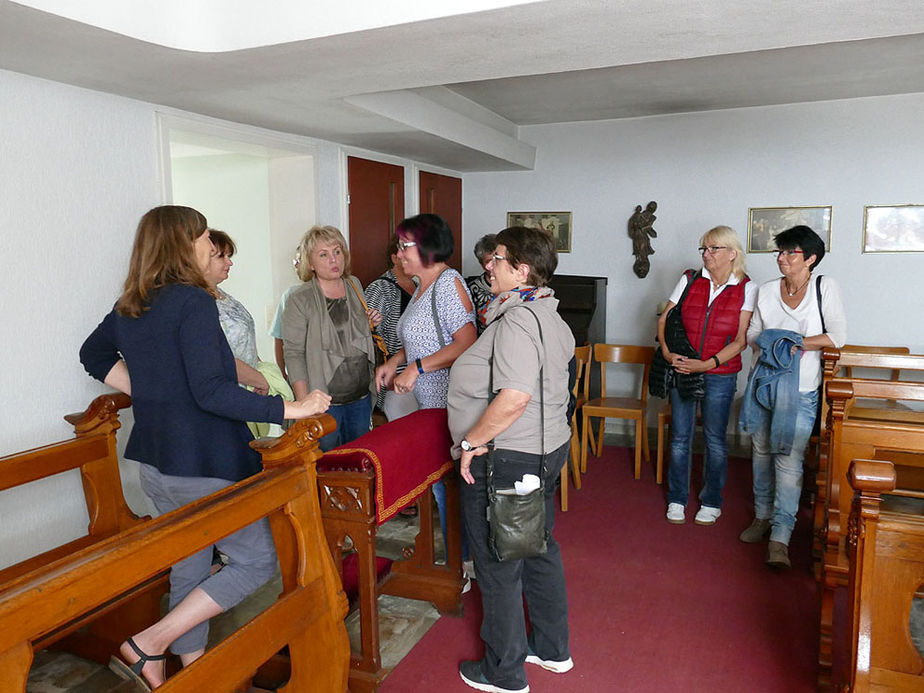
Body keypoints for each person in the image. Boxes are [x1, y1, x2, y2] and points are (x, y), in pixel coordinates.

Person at [79, 205, 331, 689]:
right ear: (183, 243)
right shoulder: (192, 302)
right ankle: (148, 643)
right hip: (203, 462)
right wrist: (293, 410)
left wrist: (150, 393)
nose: (207, 244)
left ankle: (194, 676)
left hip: (155, 463)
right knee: (258, 560)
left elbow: (93, 354)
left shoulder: (135, 301)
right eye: (200, 236)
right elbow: (211, 391)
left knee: (190, 569)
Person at [448, 225, 574, 693]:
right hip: (543, 449)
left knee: (499, 559)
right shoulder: (548, 312)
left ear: (521, 269)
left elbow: (515, 396)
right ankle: (552, 648)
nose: (488, 264)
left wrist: (471, 443)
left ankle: (504, 672)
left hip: (508, 455)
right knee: (538, 548)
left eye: (497, 258)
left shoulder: (519, 320)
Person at [739, 225, 846, 569]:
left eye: (790, 253)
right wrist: (770, 342)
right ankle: (761, 516)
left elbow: (837, 336)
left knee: (788, 460)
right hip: (763, 383)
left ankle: (781, 535)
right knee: (760, 452)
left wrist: (795, 342)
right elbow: (753, 332)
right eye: (780, 253)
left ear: (810, 258)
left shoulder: (823, 287)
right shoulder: (768, 290)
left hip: (800, 392)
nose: (782, 259)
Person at [374, 213, 476, 560]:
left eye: (405, 246)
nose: (399, 253)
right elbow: (419, 338)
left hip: (445, 402)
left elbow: (466, 342)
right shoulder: (422, 286)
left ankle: (459, 563)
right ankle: (453, 558)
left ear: (428, 248)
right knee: (437, 485)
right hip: (424, 403)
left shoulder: (449, 284)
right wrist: (394, 361)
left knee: (447, 488)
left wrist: (416, 367)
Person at [658, 226, 755, 526]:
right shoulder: (689, 279)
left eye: (713, 248)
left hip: (721, 374)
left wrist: (708, 364)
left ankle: (712, 500)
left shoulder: (746, 287)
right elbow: (665, 319)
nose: (706, 254)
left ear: (732, 253)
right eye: (704, 248)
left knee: (714, 439)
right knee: (680, 437)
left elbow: (741, 341)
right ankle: (677, 498)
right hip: (684, 368)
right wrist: (666, 353)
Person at [282, 225, 382, 452]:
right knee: (324, 462)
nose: (333, 260)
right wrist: (303, 404)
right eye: (323, 255)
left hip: (360, 395)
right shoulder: (300, 299)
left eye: (337, 252)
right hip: (323, 401)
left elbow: (354, 332)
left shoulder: (354, 284)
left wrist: (370, 322)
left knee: (358, 460)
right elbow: (294, 354)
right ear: (311, 262)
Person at [205, 229, 293, 436]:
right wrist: (257, 379)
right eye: (222, 256)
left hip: (250, 385)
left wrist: (260, 375)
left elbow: (244, 342)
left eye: (229, 256)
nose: (230, 262)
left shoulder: (224, 296)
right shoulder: (198, 304)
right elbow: (218, 356)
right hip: (228, 392)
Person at [364, 236, 418, 421]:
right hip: (395, 379)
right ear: (395, 258)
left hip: (419, 374)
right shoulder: (380, 288)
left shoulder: (419, 287)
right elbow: (367, 334)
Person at [268, 244, 303, 379]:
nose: (296, 265)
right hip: (300, 377)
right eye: (295, 261)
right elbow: (279, 338)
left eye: (299, 260)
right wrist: (282, 374)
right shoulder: (291, 296)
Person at [465, 233, 498, 334]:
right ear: (482, 264)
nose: (494, 265)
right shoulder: (472, 289)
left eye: (497, 260)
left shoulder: (516, 284)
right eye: (488, 261)